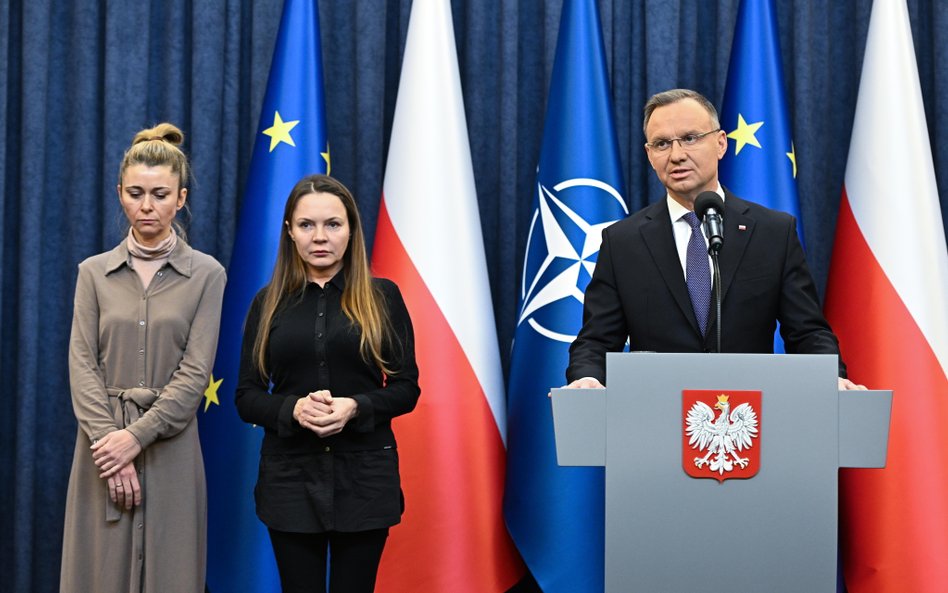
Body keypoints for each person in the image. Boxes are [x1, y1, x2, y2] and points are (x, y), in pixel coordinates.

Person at [567, 89, 864, 391]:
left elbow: (807, 332)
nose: (676, 154)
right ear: (649, 155)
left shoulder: (772, 232)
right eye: (661, 144)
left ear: (721, 143)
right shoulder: (623, 242)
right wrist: (587, 377)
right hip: (657, 417)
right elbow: (597, 339)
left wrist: (831, 377)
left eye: (691, 138)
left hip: (749, 417)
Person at [61, 123, 226, 592]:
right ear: (120, 193)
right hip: (100, 449)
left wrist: (136, 438)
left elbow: (195, 375)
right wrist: (112, 446)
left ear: (181, 198)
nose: (147, 205)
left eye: (159, 193)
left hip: (171, 446)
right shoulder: (92, 273)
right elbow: (81, 365)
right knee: (98, 573)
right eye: (135, 193)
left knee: (172, 573)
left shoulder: (207, 275)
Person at [235, 174, 420, 593]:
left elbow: (407, 387)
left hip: (365, 478)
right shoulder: (267, 303)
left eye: (333, 224)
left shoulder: (383, 297)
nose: (320, 236)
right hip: (289, 478)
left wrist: (356, 407)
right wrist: (291, 409)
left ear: (352, 230)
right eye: (306, 225)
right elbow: (246, 396)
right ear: (289, 231)